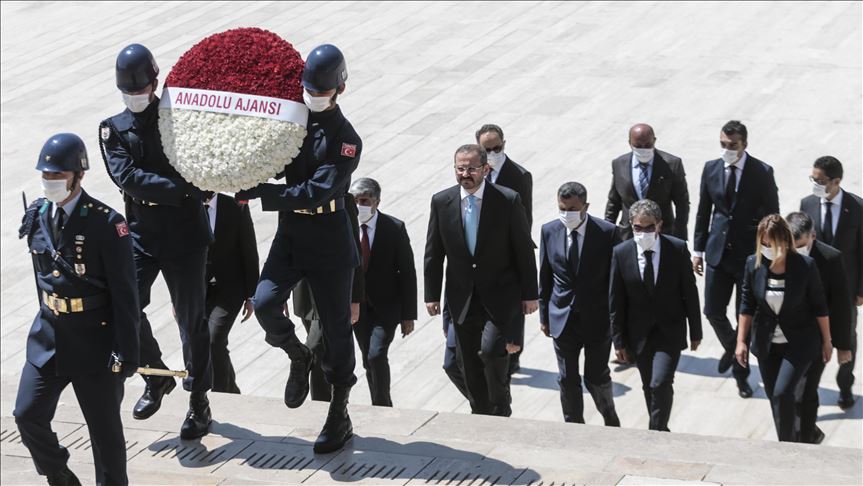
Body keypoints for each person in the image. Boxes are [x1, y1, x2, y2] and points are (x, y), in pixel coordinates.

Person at [235, 44, 361, 454]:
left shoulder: (347, 139)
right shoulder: (292, 120)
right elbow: (268, 157)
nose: (313, 96)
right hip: (292, 234)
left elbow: (316, 190)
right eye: (309, 89)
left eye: (321, 90)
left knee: (337, 331)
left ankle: (339, 412)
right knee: (265, 302)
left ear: (340, 89)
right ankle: (297, 354)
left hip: (329, 238)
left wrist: (264, 194)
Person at [99, 43, 213, 439]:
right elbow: (128, 177)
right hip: (142, 233)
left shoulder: (181, 119)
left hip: (185, 236)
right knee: (123, 305)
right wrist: (183, 189)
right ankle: (156, 376)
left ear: (155, 83)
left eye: (140, 88)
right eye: (128, 90)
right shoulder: (114, 128)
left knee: (192, 321)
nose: (134, 96)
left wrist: (191, 186)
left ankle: (199, 399)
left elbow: (202, 165)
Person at [15, 133, 139, 486]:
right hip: (49, 338)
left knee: (105, 436)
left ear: (78, 175)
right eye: (46, 175)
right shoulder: (38, 214)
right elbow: (42, 279)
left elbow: (125, 294)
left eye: (58, 175)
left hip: (95, 343)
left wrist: (128, 352)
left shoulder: (106, 223)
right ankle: (59, 474)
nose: (50, 181)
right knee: (27, 414)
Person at [424, 144, 538, 417]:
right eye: (460, 168)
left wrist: (530, 294)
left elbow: (523, 250)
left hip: (499, 295)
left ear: (485, 169)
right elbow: (434, 252)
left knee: (490, 351)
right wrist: (431, 295)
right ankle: (481, 411)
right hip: (461, 297)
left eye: (472, 168)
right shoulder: (441, 201)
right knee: (466, 362)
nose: (465, 174)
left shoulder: (507, 200)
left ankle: (501, 403)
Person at [693, 120, 779, 398]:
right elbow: (703, 211)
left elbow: (772, 215)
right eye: (723, 144)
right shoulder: (711, 168)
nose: (727, 149)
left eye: (733, 145)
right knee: (712, 311)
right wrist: (698, 250)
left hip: (748, 256)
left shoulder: (762, 172)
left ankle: (741, 375)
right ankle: (732, 346)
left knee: (744, 316)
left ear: (744, 144)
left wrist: (770, 253)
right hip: (717, 252)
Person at [735, 215, 832, 442]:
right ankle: (794, 440)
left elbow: (819, 306)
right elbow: (746, 305)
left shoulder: (805, 266)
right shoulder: (753, 264)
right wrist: (741, 341)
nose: (767, 248)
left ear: (785, 241)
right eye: (763, 243)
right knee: (776, 399)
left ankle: (788, 447)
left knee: (783, 392)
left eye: (772, 244)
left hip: (798, 342)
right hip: (767, 344)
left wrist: (827, 341)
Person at [610, 199, 702, 431]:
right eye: (638, 227)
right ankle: (661, 429)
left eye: (649, 227)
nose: (644, 232)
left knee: (660, 382)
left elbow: (690, 293)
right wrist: (618, 341)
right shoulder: (621, 253)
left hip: (669, 331)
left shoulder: (677, 249)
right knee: (648, 385)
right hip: (638, 335)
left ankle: (655, 432)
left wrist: (696, 331)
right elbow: (616, 301)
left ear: (659, 225)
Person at [538, 182, 621, 425]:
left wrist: (617, 323)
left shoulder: (607, 233)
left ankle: (610, 419)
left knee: (596, 376)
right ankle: (573, 426)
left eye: (572, 209)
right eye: (562, 209)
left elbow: (616, 281)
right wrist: (544, 316)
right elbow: (545, 276)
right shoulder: (549, 231)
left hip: (597, 319)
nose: (567, 214)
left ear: (586, 206)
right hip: (562, 318)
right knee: (567, 378)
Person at [800, 156, 863, 410]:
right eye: (813, 179)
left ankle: (845, 384)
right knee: (813, 339)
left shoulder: (857, 207)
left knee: (846, 337)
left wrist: (861, 290)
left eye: (821, 181)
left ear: (836, 181)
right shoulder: (807, 204)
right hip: (814, 289)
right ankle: (808, 389)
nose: (815, 185)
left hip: (846, 290)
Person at [291, 193, 365, 403]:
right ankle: (326, 400)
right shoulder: (293, 196)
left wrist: (355, 298)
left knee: (314, 346)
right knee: (322, 351)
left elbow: (355, 252)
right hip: (304, 290)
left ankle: (325, 402)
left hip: (332, 289)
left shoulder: (343, 200)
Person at [349, 177, 417, 406]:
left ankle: (383, 406)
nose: (359, 206)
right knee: (368, 359)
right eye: (354, 201)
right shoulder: (345, 228)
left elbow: (407, 272)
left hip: (386, 307)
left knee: (376, 354)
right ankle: (377, 403)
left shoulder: (394, 228)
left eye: (364, 201)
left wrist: (408, 315)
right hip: (356, 307)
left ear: (377, 202)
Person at [787, 212, 853, 443]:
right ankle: (809, 433)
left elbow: (842, 306)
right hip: (786, 337)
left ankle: (805, 438)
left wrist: (843, 346)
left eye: (801, 245)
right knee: (788, 392)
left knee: (804, 391)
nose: (796, 250)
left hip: (817, 338)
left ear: (812, 236)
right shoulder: (780, 252)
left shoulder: (830, 259)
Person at [475, 124, 533, 376]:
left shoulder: (519, 176)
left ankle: (514, 352)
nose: (492, 153)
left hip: (508, 250)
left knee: (512, 303)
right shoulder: (473, 172)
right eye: (487, 150)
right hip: (479, 251)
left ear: (504, 145)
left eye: (496, 148)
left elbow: (525, 218)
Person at [203, 193, 259, 394]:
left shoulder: (236, 207)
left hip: (230, 289)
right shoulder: (188, 205)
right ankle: (231, 389)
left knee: (214, 338)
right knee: (206, 342)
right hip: (198, 289)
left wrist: (252, 295)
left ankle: (220, 394)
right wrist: (178, 297)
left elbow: (249, 250)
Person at [605, 123, 690, 241]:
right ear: (630, 143)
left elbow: (682, 203)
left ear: (654, 140)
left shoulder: (672, 164)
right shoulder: (619, 164)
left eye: (648, 145)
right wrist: (607, 233)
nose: (643, 149)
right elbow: (614, 202)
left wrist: (679, 236)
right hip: (628, 235)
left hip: (661, 233)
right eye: (638, 146)